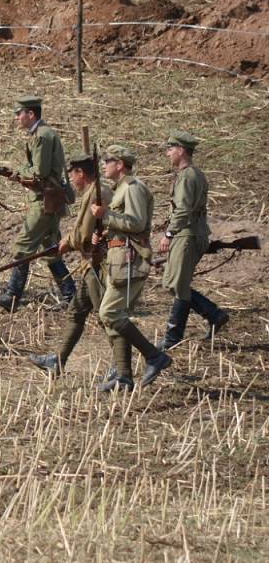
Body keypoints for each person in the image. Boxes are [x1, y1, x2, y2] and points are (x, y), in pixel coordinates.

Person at [90, 145, 172, 391]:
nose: (104, 165)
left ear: (121, 165)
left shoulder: (133, 187)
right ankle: (124, 376)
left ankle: (154, 356)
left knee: (110, 313)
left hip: (130, 259)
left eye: (108, 161)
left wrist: (106, 215)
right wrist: (104, 234)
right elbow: (124, 224)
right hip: (118, 258)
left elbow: (137, 223)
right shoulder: (121, 189)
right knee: (111, 316)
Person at [0, 96, 76, 311]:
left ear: (31, 114)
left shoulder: (42, 136)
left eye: (19, 113)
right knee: (50, 249)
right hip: (49, 199)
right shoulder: (41, 134)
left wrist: (19, 172)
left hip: (45, 201)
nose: (17, 118)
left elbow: (40, 172)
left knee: (23, 246)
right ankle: (70, 295)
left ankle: (12, 296)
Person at [28, 152, 113, 375]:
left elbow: (84, 234)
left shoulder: (96, 193)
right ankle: (58, 361)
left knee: (107, 317)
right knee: (76, 312)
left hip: (97, 264)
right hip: (90, 265)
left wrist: (65, 244)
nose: (72, 182)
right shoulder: (96, 191)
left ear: (80, 173)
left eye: (73, 176)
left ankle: (122, 367)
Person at [157, 131, 228, 350]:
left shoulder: (188, 176)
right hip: (188, 233)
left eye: (171, 149)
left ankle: (173, 336)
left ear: (181, 150)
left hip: (186, 234)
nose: (168, 153)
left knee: (177, 285)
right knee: (173, 282)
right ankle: (213, 314)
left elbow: (183, 210)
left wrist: (169, 234)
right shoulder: (192, 174)